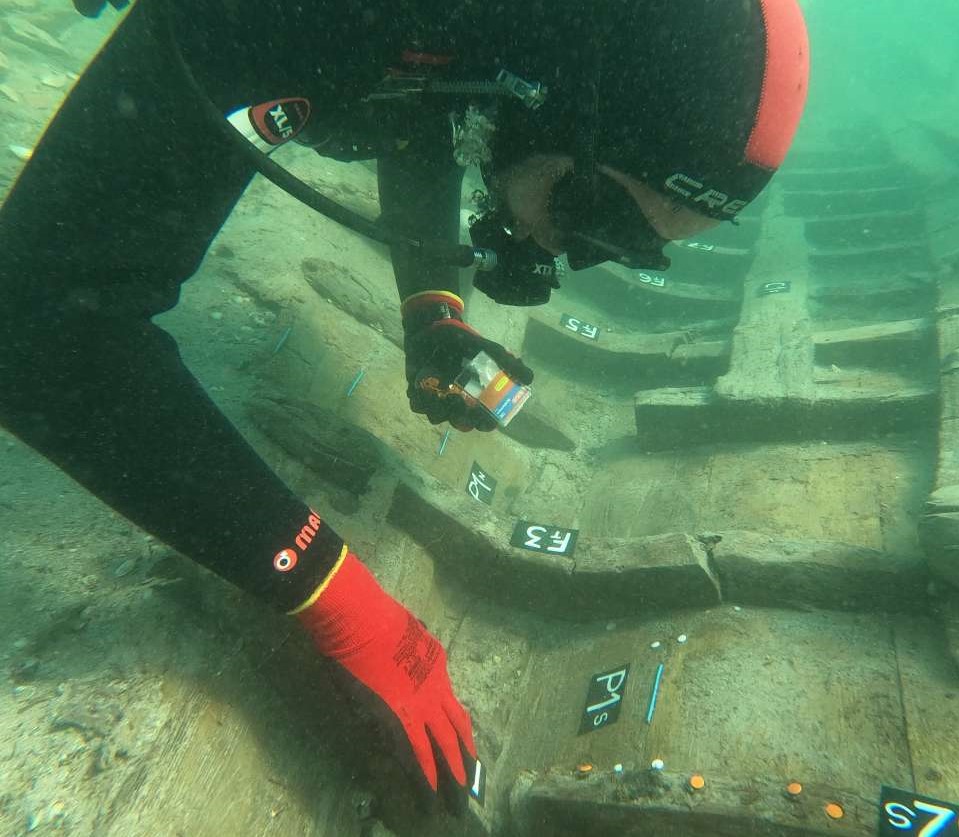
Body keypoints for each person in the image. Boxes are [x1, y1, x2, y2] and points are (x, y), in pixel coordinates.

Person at [0, 0, 808, 813]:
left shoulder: (487, 34)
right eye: (591, 219)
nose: (567, 254)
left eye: (624, 250)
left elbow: (421, 105)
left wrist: (433, 315)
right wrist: (331, 592)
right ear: (560, 93)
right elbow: (36, 325)